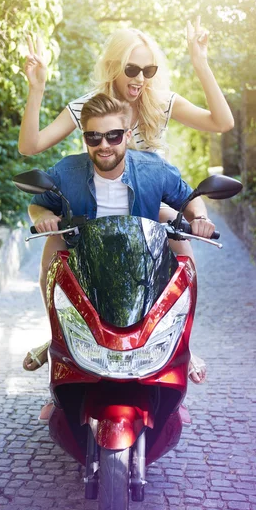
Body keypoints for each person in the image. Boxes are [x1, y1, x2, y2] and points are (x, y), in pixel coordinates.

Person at [19, 18, 234, 383]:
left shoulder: (160, 102)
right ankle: (60, 338)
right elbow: (30, 146)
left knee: (184, 257)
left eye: (148, 69)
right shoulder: (88, 105)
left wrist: (200, 62)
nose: (140, 78)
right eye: (132, 69)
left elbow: (222, 122)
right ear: (114, 66)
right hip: (92, 205)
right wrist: (36, 88)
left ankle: (181, 344)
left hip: (150, 204)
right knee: (51, 263)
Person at [26, 93, 216, 391]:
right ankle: (57, 341)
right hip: (85, 257)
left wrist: (201, 218)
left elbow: (189, 199)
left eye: (114, 136)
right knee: (51, 254)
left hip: (141, 257)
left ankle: (182, 346)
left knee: (185, 268)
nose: (104, 145)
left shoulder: (153, 168)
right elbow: (38, 204)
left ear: (127, 135)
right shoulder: (66, 171)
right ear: (85, 137)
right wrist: (43, 217)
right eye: (94, 136)